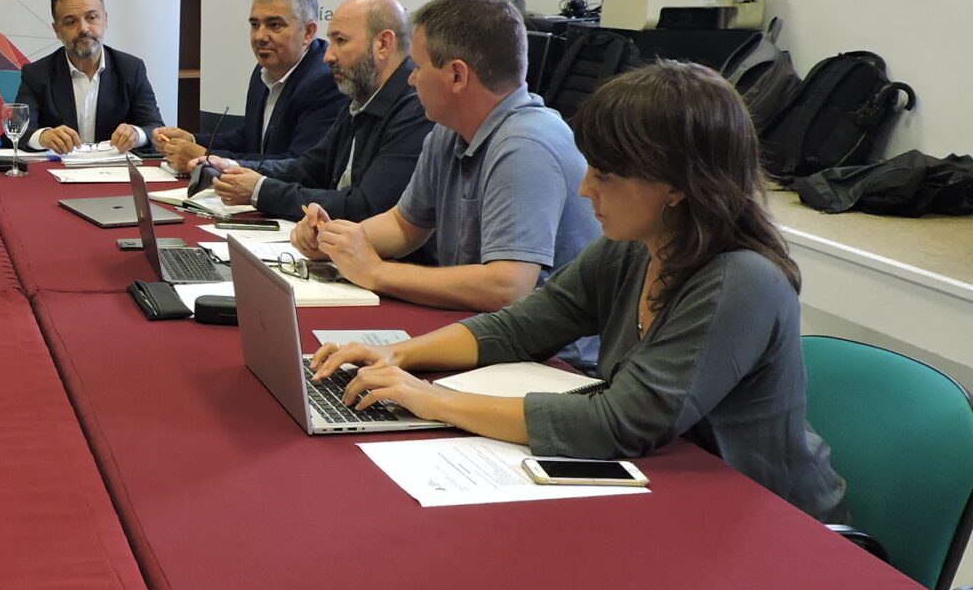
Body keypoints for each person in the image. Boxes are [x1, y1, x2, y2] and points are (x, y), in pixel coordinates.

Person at [311, 62, 847, 521]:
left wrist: (434, 399)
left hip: (763, 522)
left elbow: (616, 423)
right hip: (669, 492)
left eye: (607, 174)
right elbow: (520, 326)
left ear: (679, 186)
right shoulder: (637, 245)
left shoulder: (740, 280)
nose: (585, 186)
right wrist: (396, 354)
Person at [308, 0, 602, 356]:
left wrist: (376, 272)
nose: (411, 80)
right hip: (487, 336)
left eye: (417, 68)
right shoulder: (449, 131)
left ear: (457, 76)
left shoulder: (526, 145)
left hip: (552, 363)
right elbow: (404, 225)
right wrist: (335, 241)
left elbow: (506, 287)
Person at [194, 0, 429, 224]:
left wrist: (260, 191)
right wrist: (233, 167)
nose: (328, 56)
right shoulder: (361, 95)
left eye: (340, 41)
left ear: (383, 44)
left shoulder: (417, 109)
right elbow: (309, 168)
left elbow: (365, 207)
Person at [154, 0, 345, 169]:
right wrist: (193, 139)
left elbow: (299, 164)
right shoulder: (263, 70)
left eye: (274, 25)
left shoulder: (326, 80)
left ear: (308, 32)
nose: (259, 36)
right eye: (255, 24)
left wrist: (209, 157)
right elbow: (251, 138)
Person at [14, 0, 164, 154]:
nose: (83, 29)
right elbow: (17, 131)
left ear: (105, 19)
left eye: (91, 18)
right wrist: (43, 137)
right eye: (71, 22)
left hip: (115, 174)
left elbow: (155, 128)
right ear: (57, 30)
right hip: (57, 173)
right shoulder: (37, 74)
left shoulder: (131, 69)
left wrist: (137, 135)